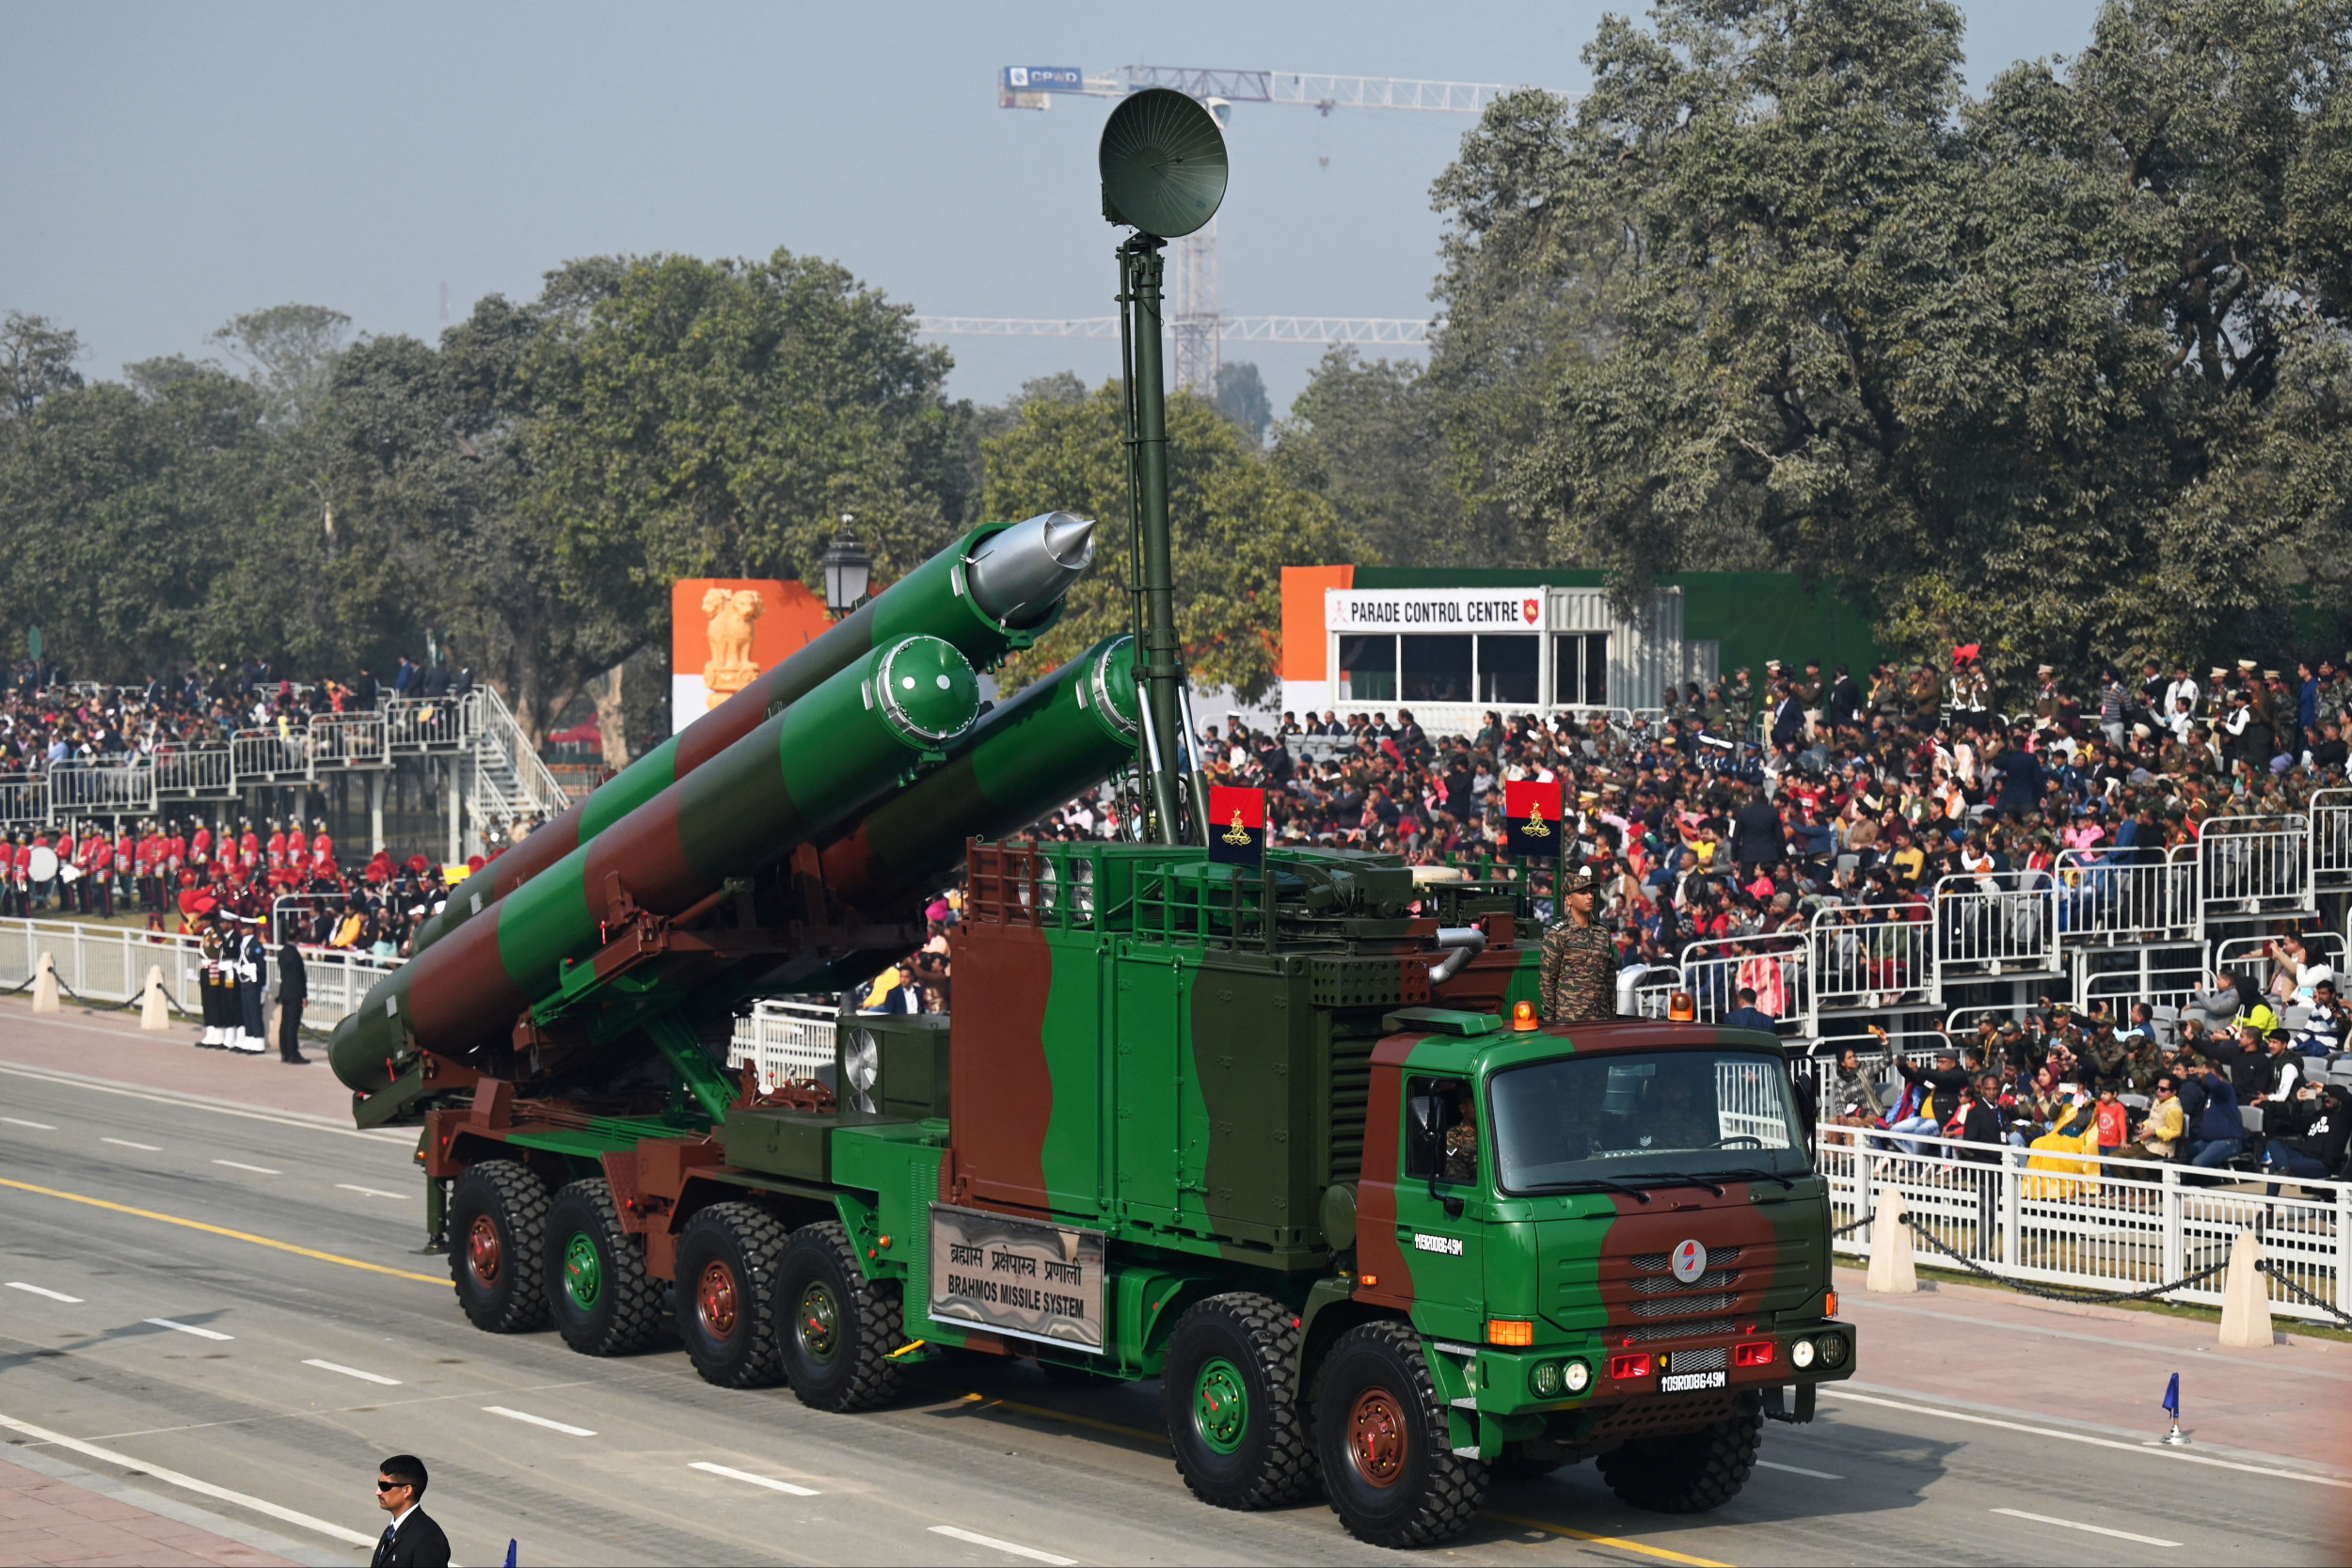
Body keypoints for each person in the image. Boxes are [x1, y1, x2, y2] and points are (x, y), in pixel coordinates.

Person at [1539, 867, 1617, 1024]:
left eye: (1590, 892)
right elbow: (1547, 981)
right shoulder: (1558, 935)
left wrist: (1612, 1017)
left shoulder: (1603, 933)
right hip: (1571, 1020)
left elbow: (1609, 979)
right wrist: (1550, 1022)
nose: (1589, 896)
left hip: (1601, 1018)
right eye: (1582, 893)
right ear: (1569, 899)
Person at [371, 1454, 450, 1568]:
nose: (378, 1492)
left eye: (385, 1486)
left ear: (407, 1490)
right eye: (379, 1484)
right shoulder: (392, 1531)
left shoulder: (427, 1537)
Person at [276, 931, 310, 1064]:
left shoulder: (282, 952)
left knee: (285, 1023)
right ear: (297, 937)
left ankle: (284, 1052)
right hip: (295, 992)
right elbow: (299, 976)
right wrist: (304, 995)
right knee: (292, 1024)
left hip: (285, 989)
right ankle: (293, 1053)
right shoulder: (294, 954)